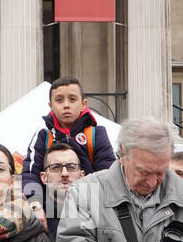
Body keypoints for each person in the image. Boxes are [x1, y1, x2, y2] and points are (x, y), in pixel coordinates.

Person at [21, 77, 116, 211]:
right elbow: (30, 175)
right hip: (50, 210)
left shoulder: (96, 134)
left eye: (72, 99)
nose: (66, 105)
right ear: (51, 106)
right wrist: (35, 203)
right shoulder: (43, 135)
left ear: (84, 104)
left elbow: (107, 174)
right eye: (59, 100)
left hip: (89, 208)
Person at [38, 143, 84, 239]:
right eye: (56, 167)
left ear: (82, 175)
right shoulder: (31, 218)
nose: (64, 173)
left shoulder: (100, 215)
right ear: (44, 177)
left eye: (71, 167)